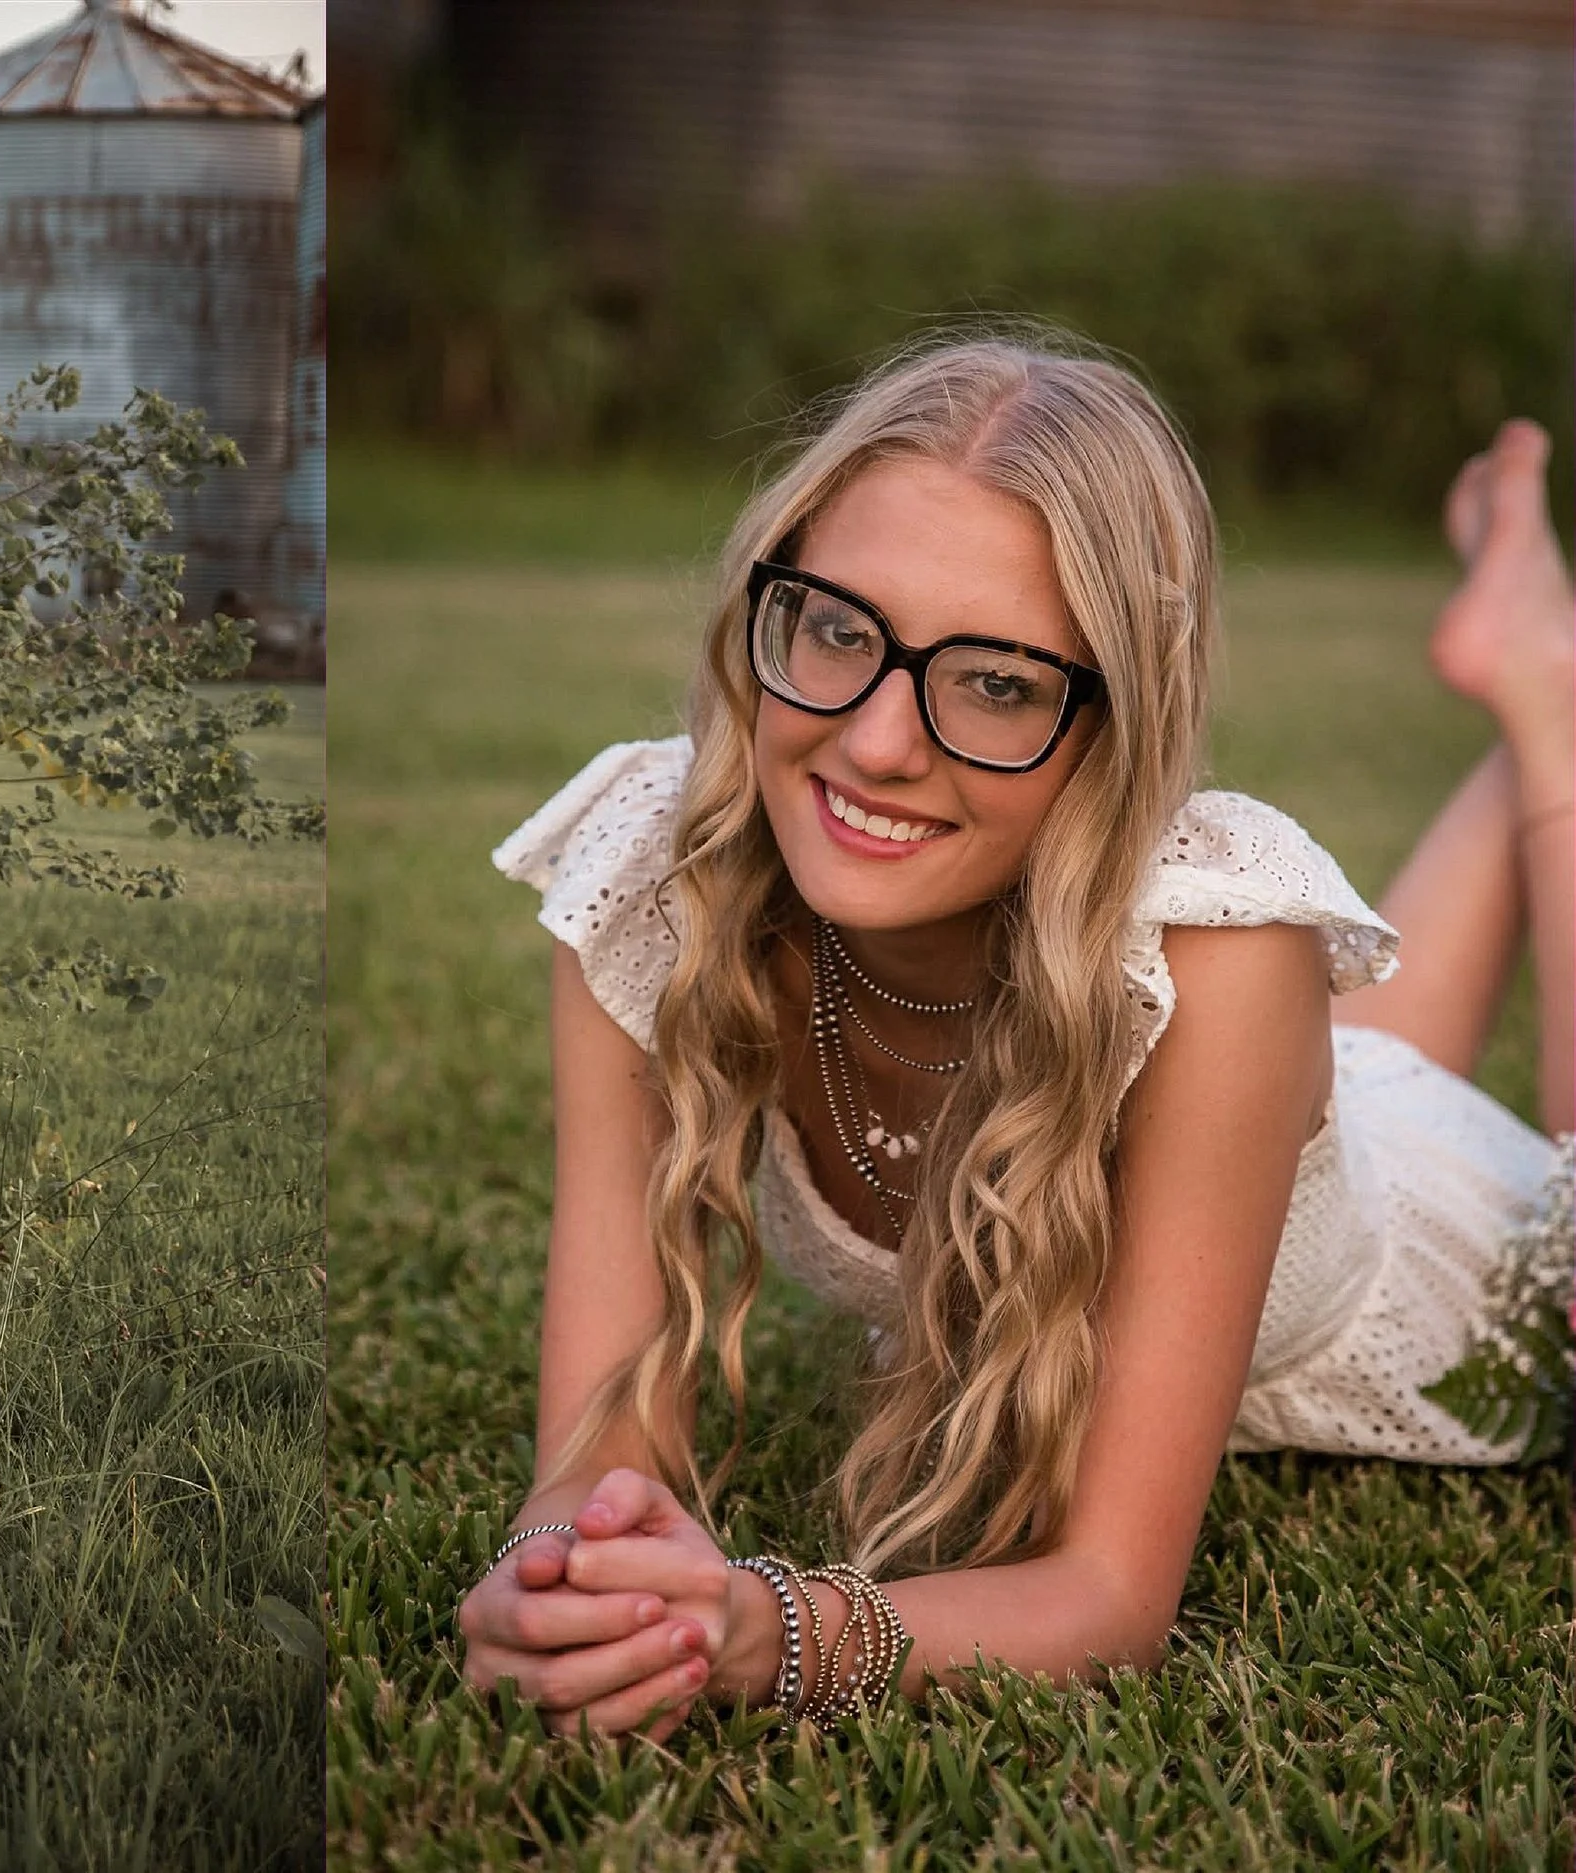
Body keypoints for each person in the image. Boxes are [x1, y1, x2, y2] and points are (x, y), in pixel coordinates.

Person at [460, 335, 1574, 1742]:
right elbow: (597, 1453)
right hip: (1289, 1117)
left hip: (1430, 1267)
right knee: (1363, 1068)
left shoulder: (1223, 957)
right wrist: (565, 1575)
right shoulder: (659, 874)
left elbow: (1111, 1596)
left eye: (994, 683)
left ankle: (1549, 709)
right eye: (839, 631)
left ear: (1114, 730)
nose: (872, 744)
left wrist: (769, 1633)